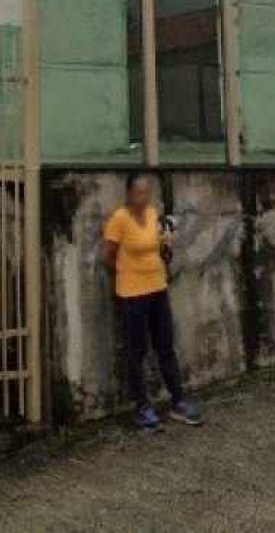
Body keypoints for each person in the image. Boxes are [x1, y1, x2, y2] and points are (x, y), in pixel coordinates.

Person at [102, 172, 203, 431]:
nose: (143, 196)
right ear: (128, 193)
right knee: (136, 351)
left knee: (166, 346)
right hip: (132, 294)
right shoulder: (119, 219)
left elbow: (162, 250)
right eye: (139, 192)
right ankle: (142, 407)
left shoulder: (152, 216)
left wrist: (166, 246)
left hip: (157, 288)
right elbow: (108, 256)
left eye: (147, 192)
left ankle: (178, 401)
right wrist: (126, 274)